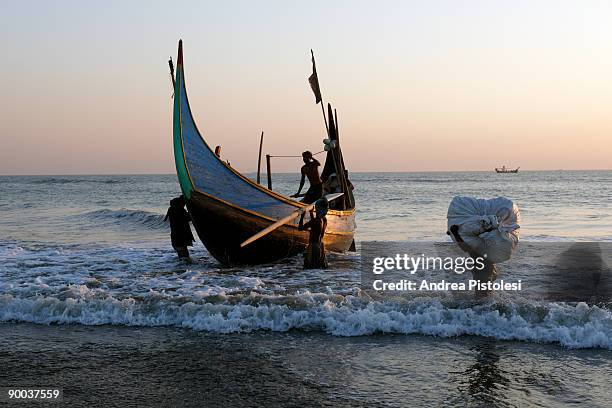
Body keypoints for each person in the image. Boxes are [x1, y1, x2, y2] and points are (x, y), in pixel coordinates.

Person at [449, 224, 497, 298]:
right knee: (487, 293)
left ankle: (483, 306)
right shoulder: (490, 243)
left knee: (481, 296)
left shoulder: (478, 248)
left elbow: (465, 248)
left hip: (482, 271)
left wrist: (455, 234)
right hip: (491, 269)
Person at [298, 198, 329, 269]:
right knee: (318, 267)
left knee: (310, 267)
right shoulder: (324, 220)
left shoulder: (315, 222)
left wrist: (302, 217)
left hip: (313, 247)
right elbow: (315, 227)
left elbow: (300, 228)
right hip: (320, 246)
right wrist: (311, 213)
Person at [164, 195, 195, 261]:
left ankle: (182, 269)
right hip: (180, 238)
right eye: (184, 203)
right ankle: (184, 269)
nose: (184, 205)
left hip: (175, 238)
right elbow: (189, 218)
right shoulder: (179, 211)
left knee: (182, 257)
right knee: (185, 258)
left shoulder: (172, 210)